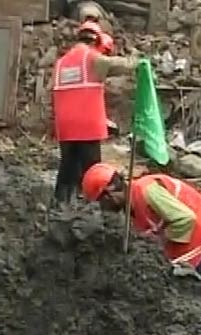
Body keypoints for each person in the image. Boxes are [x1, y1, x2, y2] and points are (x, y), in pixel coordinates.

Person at [81, 163, 201, 280]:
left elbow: (185, 218)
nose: (103, 209)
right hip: (186, 235)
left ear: (110, 192)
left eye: (101, 203)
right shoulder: (130, 204)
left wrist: (157, 243)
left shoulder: (146, 190)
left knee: (184, 287)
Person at [51, 21, 136, 205]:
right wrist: (137, 58)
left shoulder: (61, 62)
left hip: (65, 126)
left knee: (67, 168)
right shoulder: (92, 59)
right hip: (86, 126)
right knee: (93, 171)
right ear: (96, 40)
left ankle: (59, 205)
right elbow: (125, 65)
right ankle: (92, 208)